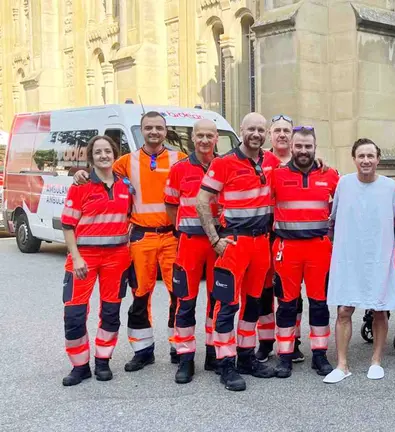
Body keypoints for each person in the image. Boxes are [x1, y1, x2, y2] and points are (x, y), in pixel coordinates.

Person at [74, 111, 185, 371]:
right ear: (141, 131)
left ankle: (179, 346)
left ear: (165, 131)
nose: (154, 132)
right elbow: (100, 173)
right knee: (139, 295)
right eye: (149, 128)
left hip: (172, 236)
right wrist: (81, 173)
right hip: (141, 237)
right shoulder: (126, 161)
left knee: (178, 294)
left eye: (159, 127)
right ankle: (142, 350)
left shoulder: (179, 159)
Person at [196, 112, 280, 391]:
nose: (255, 133)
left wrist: (319, 162)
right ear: (241, 130)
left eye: (260, 129)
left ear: (265, 134)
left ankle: (246, 357)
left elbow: (296, 166)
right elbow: (201, 201)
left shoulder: (270, 161)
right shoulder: (223, 163)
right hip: (234, 243)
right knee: (227, 305)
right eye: (251, 129)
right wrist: (214, 239)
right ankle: (225, 363)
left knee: (253, 303)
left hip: (261, 243)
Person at [323, 138, 395, 383]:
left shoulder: (390, 187)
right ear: (354, 158)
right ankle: (342, 364)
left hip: (379, 257)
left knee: (379, 310)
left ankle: (376, 361)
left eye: (370, 156)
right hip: (349, 258)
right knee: (344, 309)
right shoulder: (344, 184)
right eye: (361, 156)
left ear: (378, 159)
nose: (366, 160)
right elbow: (332, 219)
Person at [60, 136, 133, 386]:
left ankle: (103, 361)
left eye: (108, 151)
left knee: (111, 313)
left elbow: (133, 218)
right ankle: (79, 366)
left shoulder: (126, 185)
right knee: (74, 314)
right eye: (98, 152)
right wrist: (76, 256)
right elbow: (68, 225)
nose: (104, 155)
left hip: (117, 257)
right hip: (83, 258)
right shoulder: (80, 185)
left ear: (114, 154)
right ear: (91, 157)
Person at [270, 125, 338, 378]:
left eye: (308, 146)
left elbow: (343, 208)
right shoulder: (276, 175)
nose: (303, 150)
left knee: (319, 304)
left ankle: (319, 355)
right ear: (291, 146)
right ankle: (285, 356)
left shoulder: (330, 175)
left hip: (319, 248)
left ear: (315, 148)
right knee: (287, 305)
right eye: (298, 146)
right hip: (287, 248)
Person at [164, 119, 220, 384]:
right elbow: (171, 205)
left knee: (217, 300)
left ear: (217, 137)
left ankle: (213, 353)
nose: (205, 140)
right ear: (193, 138)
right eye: (200, 135)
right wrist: (183, 229)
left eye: (210, 135)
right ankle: (186, 357)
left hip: (218, 243)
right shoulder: (179, 169)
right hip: (189, 243)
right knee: (185, 302)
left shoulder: (225, 165)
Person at [255, 114, 305, 364]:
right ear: (270, 135)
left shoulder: (304, 161)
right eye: (278, 130)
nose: (282, 134)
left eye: (287, 130)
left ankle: (292, 340)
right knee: (264, 290)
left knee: (291, 291)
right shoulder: (261, 160)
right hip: (265, 232)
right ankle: (265, 342)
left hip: (291, 234)